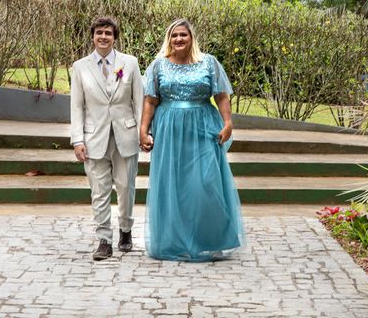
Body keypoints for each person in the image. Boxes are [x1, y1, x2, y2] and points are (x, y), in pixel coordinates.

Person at [140, 18, 244, 262]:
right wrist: (144, 130)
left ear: (191, 38)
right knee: (174, 187)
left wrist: (228, 123)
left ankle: (211, 240)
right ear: (169, 39)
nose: (179, 39)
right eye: (174, 35)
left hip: (203, 128)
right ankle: (175, 241)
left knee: (207, 185)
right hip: (170, 131)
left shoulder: (208, 62)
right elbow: (150, 100)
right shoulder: (158, 66)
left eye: (183, 35)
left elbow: (221, 95)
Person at [70, 17, 144, 261]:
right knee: (99, 191)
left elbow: (139, 101)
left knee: (126, 187)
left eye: (108, 33)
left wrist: (143, 132)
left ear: (115, 37)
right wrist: (77, 140)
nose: (103, 37)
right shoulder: (80, 67)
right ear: (92, 36)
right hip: (94, 138)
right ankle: (104, 239)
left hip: (126, 135)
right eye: (99, 32)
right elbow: (77, 106)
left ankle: (125, 230)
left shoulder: (129, 63)